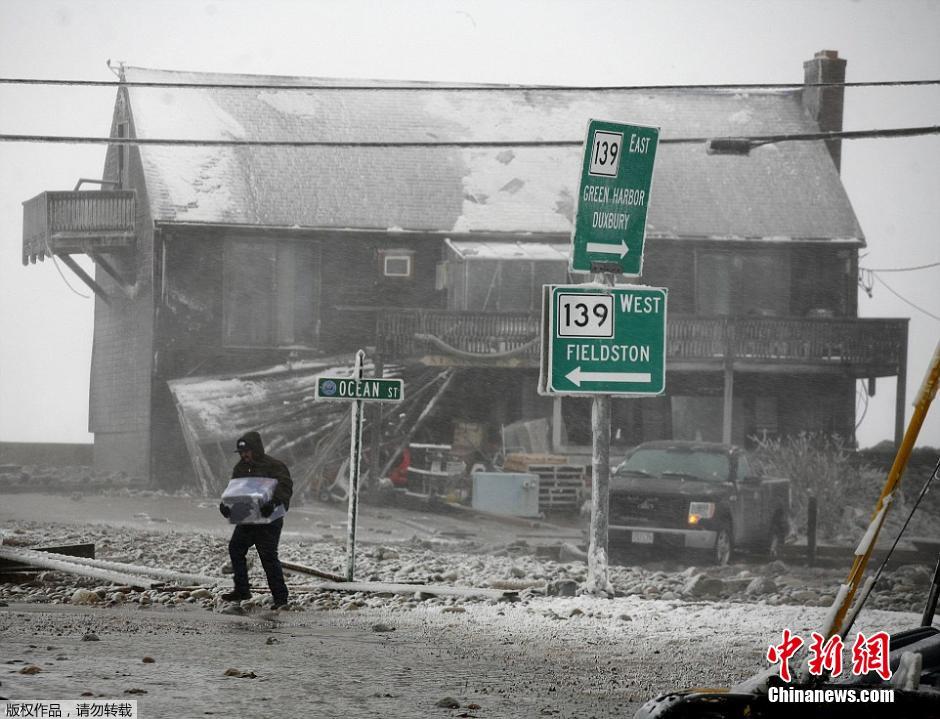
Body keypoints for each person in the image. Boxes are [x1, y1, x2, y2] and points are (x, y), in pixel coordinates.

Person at [218, 431, 293, 608]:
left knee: (268, 556)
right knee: (235, 548)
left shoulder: (275, 466)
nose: (244, 455)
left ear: (256, 450)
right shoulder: (240, 468)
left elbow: (285, 487)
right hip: (248, 518)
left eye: (246, 452)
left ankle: (280, 598)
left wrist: (273, 502)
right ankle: (242, 589)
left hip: (269, 520)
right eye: (241, 453)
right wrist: (226, 506)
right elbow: (234, 491)